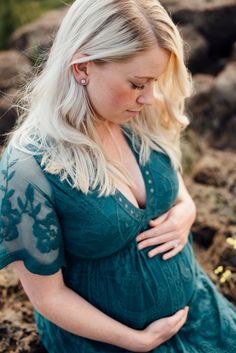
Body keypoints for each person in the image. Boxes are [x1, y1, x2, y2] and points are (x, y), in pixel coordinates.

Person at [0, 0, 235, 352]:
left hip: (200, 310)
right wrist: (137, 340)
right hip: (111, 343)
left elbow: (174, 184)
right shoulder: (27, 169)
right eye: (139, 83)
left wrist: (187, 212)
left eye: (155, 81)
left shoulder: (135, 116)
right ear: (82, 67)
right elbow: (49, 297)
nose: (151, 97)